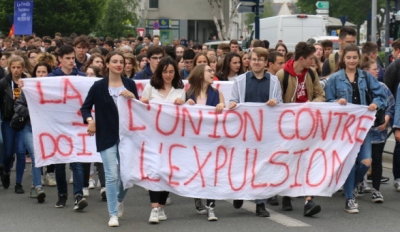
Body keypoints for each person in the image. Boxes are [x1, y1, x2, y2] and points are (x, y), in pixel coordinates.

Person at [325, 44, 386, 214]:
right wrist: (336, 103)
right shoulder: (334, 79)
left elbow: (382, 96)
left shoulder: (366, 77)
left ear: (359, 59)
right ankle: (350, 198)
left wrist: (376, 103)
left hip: (363, 127)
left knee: (366, 162)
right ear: (343, 59)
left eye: (354, 58)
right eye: (349, 57)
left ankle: (349, 184)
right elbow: (327, 102)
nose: (352, 61)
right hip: (344, 129)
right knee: (350, 163)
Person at [81, 51, 138, 227]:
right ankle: (112, 213)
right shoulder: (98, 86)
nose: (119, 64)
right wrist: (90, 121)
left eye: (122, 62)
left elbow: (138, 110)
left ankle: (119, 199)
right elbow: (85, 108)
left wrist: (134, 98)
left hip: (127, 136)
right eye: (115, 61)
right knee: (112, 175)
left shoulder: (130, 84)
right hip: (106, 135)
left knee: (127, 174)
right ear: (107, 64)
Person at [228, 47, 283, 217]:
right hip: (245, 131)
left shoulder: (274, 82)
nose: (257, 62)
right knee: (243, 165)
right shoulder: (240, 81)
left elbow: (280, 103)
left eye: (260, 59)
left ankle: (260, 203)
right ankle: (240, 193)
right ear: (249, 61)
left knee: (262, 167)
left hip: (264, 132)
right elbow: (234, 100)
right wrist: (233, 104)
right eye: (253, 59)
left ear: (266, 63)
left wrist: (275, 102)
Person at [276, 42, 324, 216]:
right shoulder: (282, 75)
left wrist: (311, 105)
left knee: (307, 161)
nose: (314, 61)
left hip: (307, 124)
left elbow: (320, 94)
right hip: (288, 126)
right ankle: (287, 194)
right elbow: (276, 99)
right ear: (301, 58)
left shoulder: (311, 73)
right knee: (289, 160)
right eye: (311, 58)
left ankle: (308, 200)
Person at [140, 57, 185, 224]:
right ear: (160, 72)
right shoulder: (151, 87)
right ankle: (154, 208)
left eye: (171, 72)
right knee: (154, 171)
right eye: (165, 72)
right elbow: (141, 108)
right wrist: (143, 102)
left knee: (167, 172)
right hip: (153, 136)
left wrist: (184, 103)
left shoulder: (180, 89)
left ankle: (161, 207)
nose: (168, 75)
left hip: (172, 139)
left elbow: (186, 113)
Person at [47, 45, 88, 212]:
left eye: (73, 58)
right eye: (68, 58)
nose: (72, 61)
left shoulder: (82, 77)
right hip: (57, 125)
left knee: (77, 162)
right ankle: (62, 194)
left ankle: (78, 196)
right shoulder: (51, 77)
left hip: (76, 125)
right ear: (60, 60)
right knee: (60, 163)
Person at [186, 64, 225, 221]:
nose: (212, 73)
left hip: (211, 140)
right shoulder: (188, 94)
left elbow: (224, 114)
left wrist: (222, 105)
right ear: (201, 75)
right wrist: (184, 105)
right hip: (194, 141)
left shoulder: (217, 93)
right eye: (209, 71)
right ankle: (197, 198)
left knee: (211, 173)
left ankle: (211, 207)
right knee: (197, 172)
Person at [13, 62, 53, 203]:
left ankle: (37, 182)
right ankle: (38, 187)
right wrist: (33, 111)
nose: (41, 75)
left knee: (45, 155)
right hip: (29, 127)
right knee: (36, 155)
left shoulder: (53, 90)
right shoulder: (27, 89)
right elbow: (17, 106)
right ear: (35, 73)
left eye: (44, 72)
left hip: (47, 128)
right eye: (39, 72)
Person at [360, 55, 394, 203]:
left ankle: (376, 190)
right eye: (375, 69)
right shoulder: (359, 87)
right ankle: (359, 182)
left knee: (377, 160)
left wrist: (386, 119)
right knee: (362, 160)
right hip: (362, 132)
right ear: (366, 71)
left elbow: (391, 106)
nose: (378, 71)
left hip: (379, 131)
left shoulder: (383, 87)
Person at [0, 56, 28, 193]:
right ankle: (5, 171)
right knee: (8, 151)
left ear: (23, 68)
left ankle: (18, 183)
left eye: (18, 67)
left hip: (23, 120)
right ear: (9, 68)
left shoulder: (28, 82)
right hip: (8, 121)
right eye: (13, 67)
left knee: (21, 152)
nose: (16, 70)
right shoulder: (3, 83)